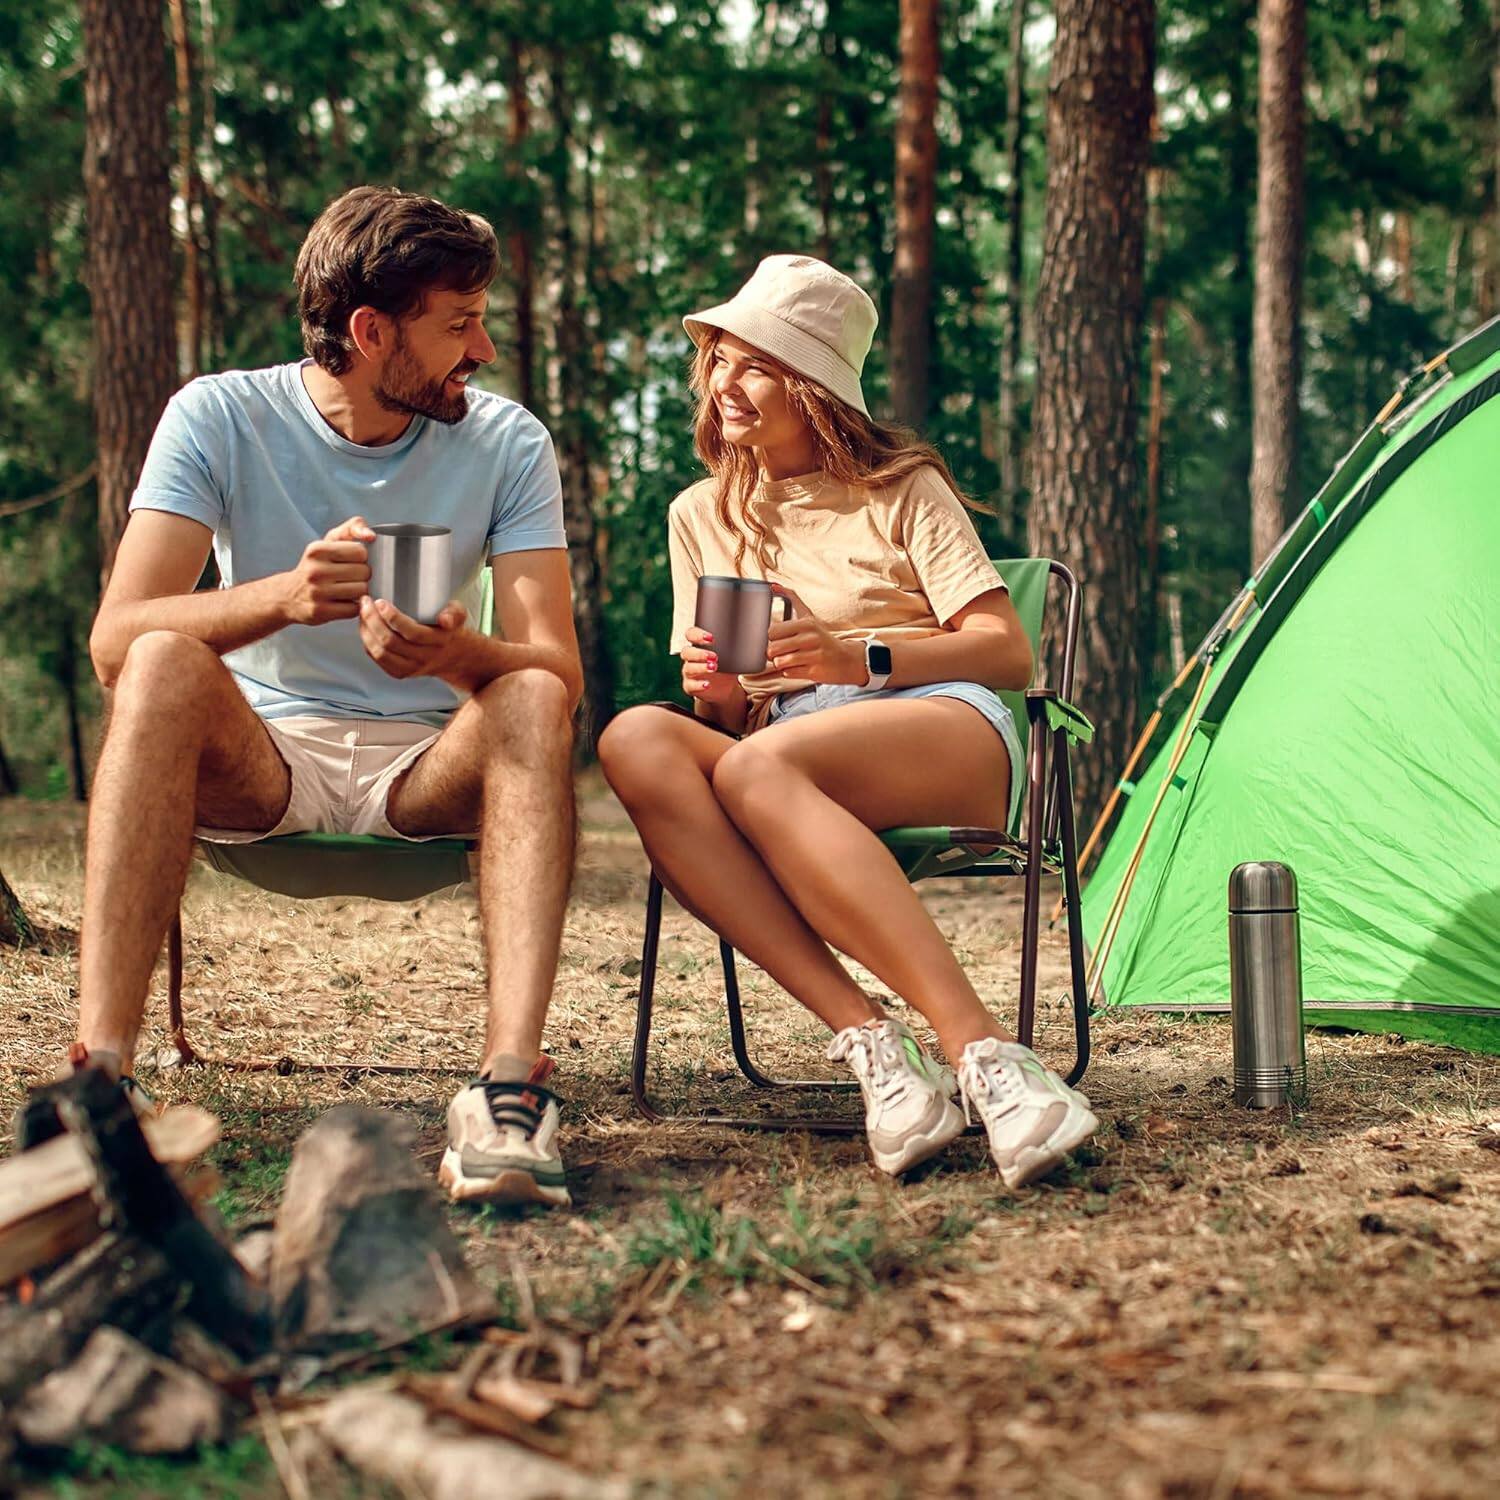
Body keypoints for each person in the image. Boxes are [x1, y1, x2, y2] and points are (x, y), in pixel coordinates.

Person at [73, 186, 583, 1208]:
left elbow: (556, 672)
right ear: (369, 331)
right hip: (262, 756)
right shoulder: (219, 415)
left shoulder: (508, 442)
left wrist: (451, 656)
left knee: (526, 693)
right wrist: (282, 598)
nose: (481, 350)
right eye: (459, 324)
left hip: (423, 769)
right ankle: (100, 1085)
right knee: (165, 656)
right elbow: (113, 641)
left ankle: (508, 1094)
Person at [598, 255, 1098, 1188]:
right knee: (636, 736)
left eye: (756, 363)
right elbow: (721, 709)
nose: (724, 382)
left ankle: (989, 1058)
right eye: (719, 358)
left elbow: (1004, 651)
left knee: (757, 769)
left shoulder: (902, 487)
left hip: (936, 719)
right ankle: (872, 1043)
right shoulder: (699, 514)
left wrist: (854, 658)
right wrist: (714, 684)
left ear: (815, 384)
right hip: (787, 754)